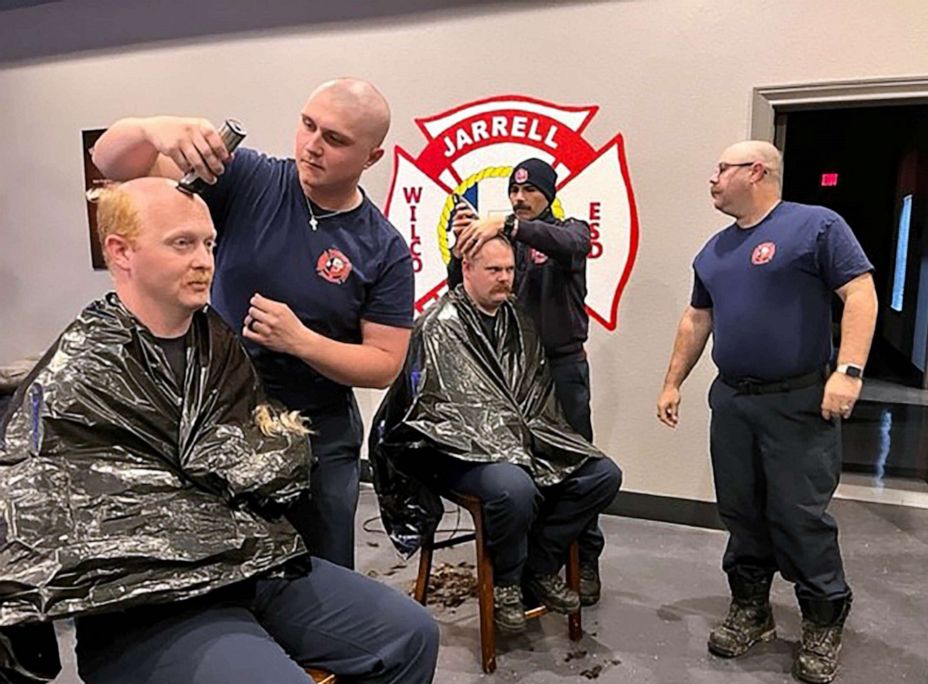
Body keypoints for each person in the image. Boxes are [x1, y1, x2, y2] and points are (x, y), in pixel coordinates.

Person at [0, 179, 438, 684]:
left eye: (209, 243)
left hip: (248, 566)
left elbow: (258, 454)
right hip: (143, 610)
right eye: (182, 243)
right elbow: (47, 526)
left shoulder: (217, 344)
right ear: (119, 252)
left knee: (410, 636)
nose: (205, 260)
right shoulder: (76, 378)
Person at [91, 78, 414, 569]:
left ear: (372, 157)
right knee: (231, 567)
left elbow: (384, 364)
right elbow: (113, 162)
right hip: (221, 415)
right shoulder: (250, 179)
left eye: (336, 139)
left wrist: (301, 341)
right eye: (308, 125)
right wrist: (154, 129)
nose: (312, 146)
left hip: (316, 432)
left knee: (320, 571)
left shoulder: (383, 248)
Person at [655, 140, 877, 684]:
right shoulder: (713, 251)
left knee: (798, 514)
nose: (712, 178)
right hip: (733, 400)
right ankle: (751, 610)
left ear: (756, 171)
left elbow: (861, 293)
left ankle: (824, 618)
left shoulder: (816, 226)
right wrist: (671, 382)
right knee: (741, 510)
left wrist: (847, 371)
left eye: (721, 168)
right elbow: (696, 319)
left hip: (798, 400)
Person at [372, 235, 621, 634]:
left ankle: (537, 568)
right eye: (494, 270)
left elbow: (536, 397)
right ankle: (506, 582)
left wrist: (526, 442)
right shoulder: (440, 326)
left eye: (509, 269)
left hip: (516, 442)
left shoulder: (518, 322)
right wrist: (505, 445)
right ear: (467, 269)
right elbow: (442, 413)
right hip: (454, 452)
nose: (505, 278)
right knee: (514, 487)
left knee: (602, 475)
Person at [447, 158, 607, 606]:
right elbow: (461, 290)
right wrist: (461, 248)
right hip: (511, 374)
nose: (520, 199)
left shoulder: (568, 232)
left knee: (578, 466)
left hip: (562, 369)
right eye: (515, 192)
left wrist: (510, 228)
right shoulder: (505, 241)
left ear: (548, 194)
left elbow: (570, 242)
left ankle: (586, 558)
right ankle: (528, 565)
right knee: (520, 469)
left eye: (530, 191)